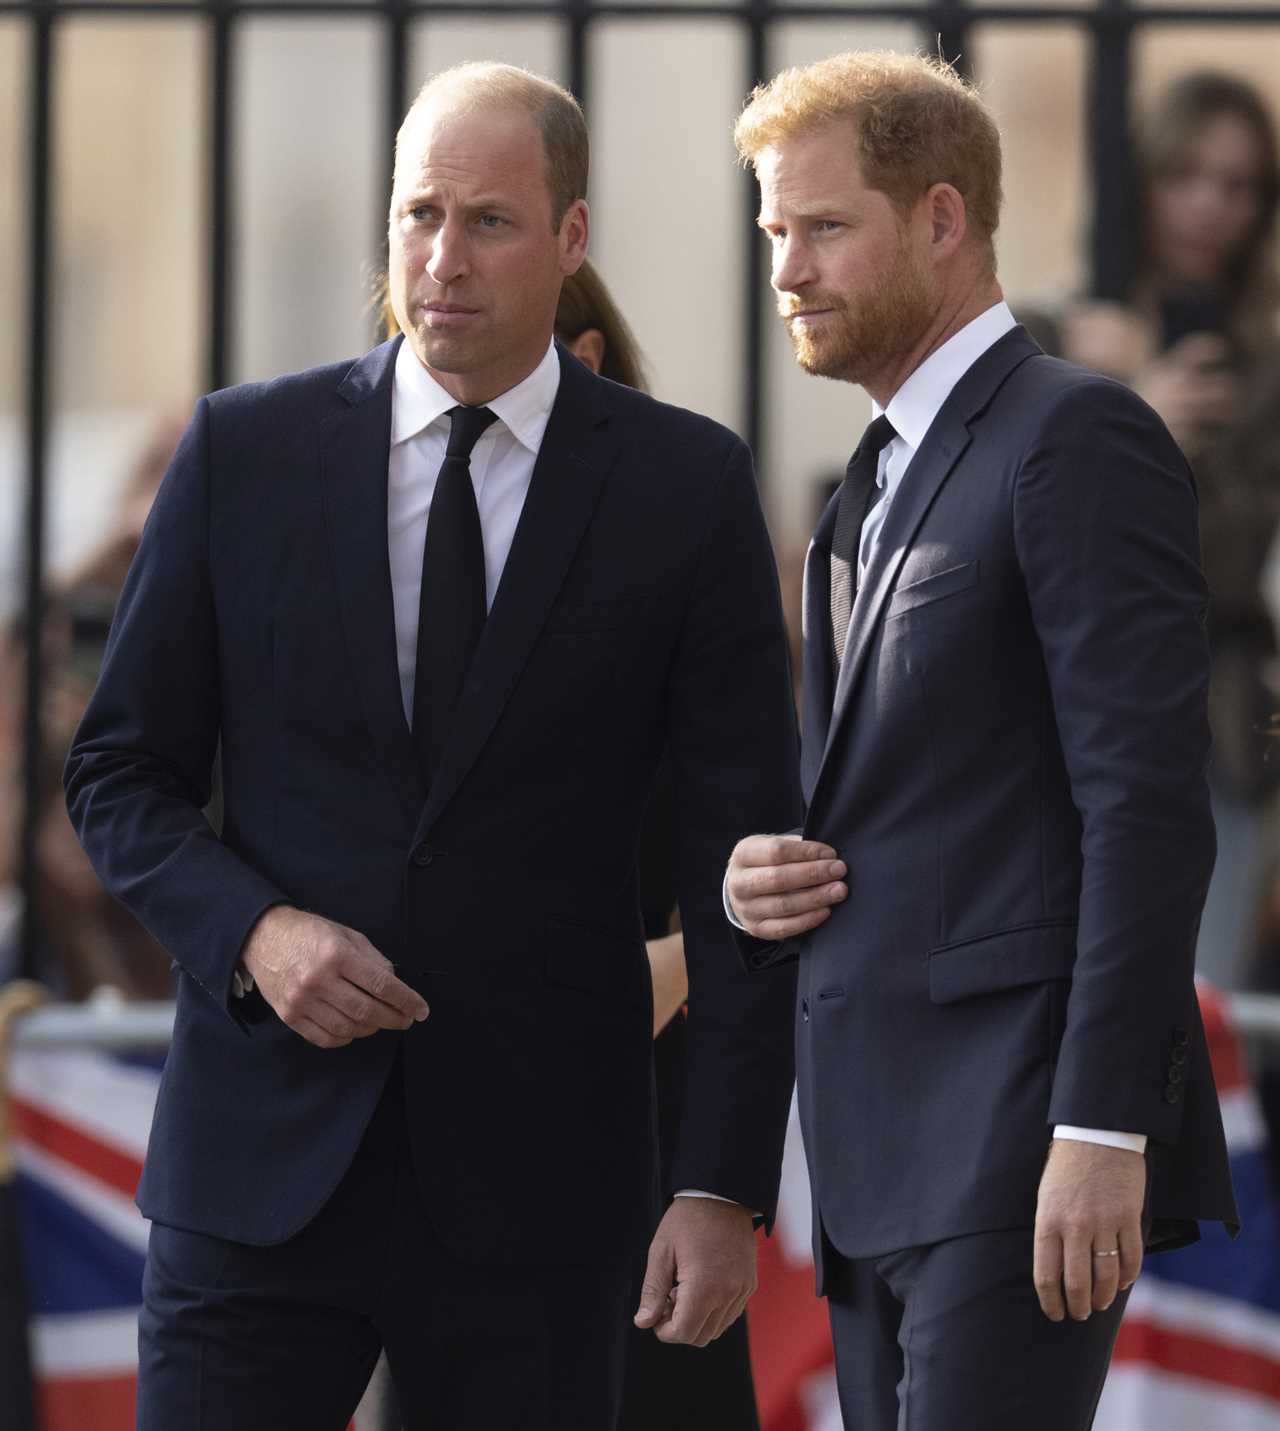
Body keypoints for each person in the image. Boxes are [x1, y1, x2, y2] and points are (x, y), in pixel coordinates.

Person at [65, 61, 801, 1429]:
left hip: (543, 1188)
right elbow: (118, 774)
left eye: (489, 222)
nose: (441, 258)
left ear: (571, 238)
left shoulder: (680, 487)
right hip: (260, 1168)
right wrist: (257, 933)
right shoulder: (246, 451)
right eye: (418, 215)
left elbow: (737, 851)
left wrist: (719, 1181)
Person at [725, 50, 1239, 1431]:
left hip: (1021, 1144)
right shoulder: (858, 498)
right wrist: (760, 876)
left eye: (824, 226)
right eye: (775, 232)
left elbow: (1148, 805)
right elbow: (908, 796)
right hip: (871, 1153)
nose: (786, 268)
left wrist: (1102, 1123)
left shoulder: (1076, 435)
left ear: (943, 221)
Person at [1034, 72, 1280, 991]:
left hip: (1213, 732)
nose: (1210, 206)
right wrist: (1128, 410)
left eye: (1239, 183)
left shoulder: (1259, 365)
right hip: (1051, 714)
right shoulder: (1052, 333)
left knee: (1191, 1015)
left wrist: (1163, 445)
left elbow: (1224, 565)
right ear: (1143, 182)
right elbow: (1011, 526)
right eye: (1186, 174)